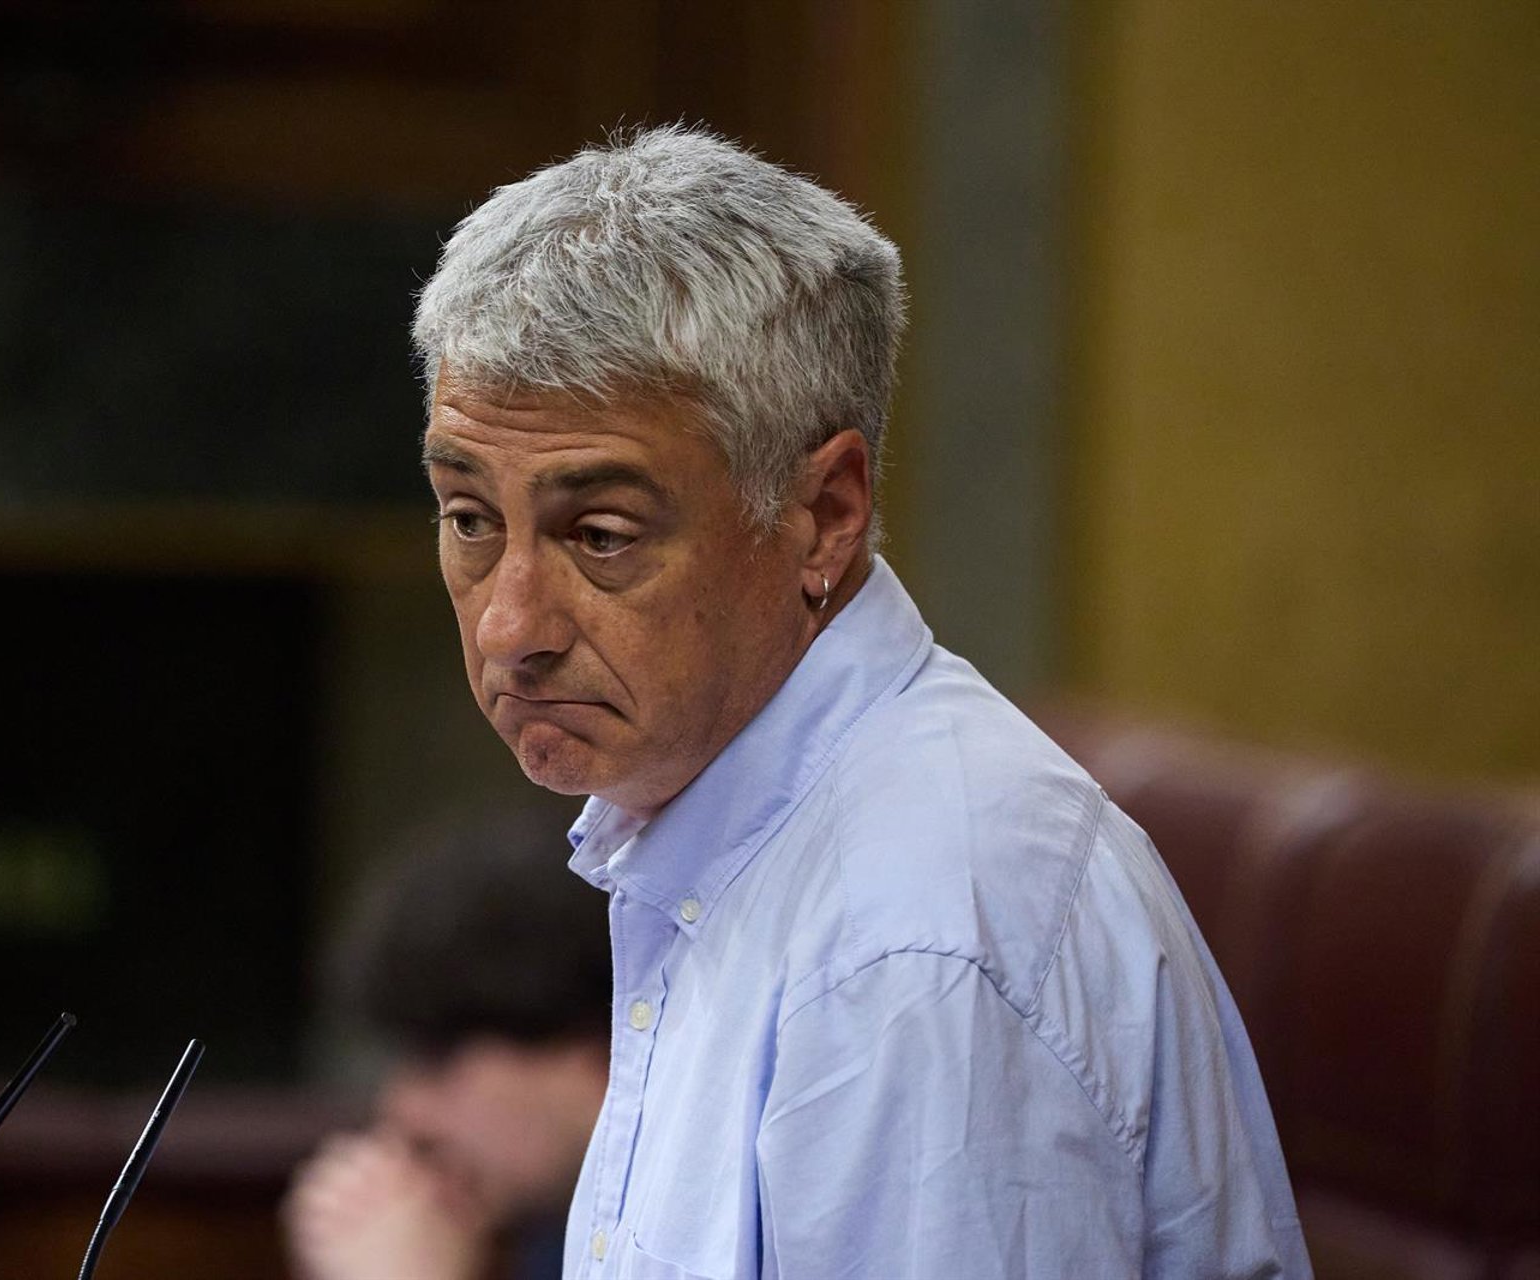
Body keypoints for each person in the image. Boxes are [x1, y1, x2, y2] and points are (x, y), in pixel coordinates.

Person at [409, 125, 1313, 1278]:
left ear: (824, 515)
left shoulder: (912, 945)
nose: (508, 626)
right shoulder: (719, 828)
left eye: (602, 533)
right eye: (470, 518)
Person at [284, 812, 610, 1280]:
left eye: (438, 1058)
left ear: (593, 1053)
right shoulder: (549, 1238)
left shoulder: (699, 1228)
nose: (403, 1112)